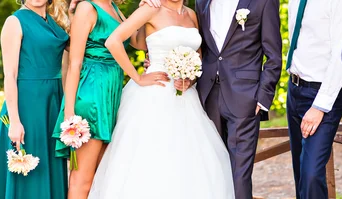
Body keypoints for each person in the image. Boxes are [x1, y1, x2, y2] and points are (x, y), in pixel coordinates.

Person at [87, 0, 235, 198]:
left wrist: (190, 79)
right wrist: (137, 76)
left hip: (186, 98)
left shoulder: (191, 14)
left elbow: (198, 53)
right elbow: (113, 41)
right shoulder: (151, 8)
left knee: (188, 160)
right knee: (153, 156)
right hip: (154, 94)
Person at [141, 0, 282, 198]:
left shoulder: (263, 2)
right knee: (211, 169)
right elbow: (200, 47)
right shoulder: (202, 3)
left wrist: (263, 96)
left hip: (245, 97)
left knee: (240, 171)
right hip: (205, 95)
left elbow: (274, 55)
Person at [53, 0, 148, 198]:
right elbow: (75, 63)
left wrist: (146, 11)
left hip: (112, 94)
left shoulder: (113, 8)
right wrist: (69, 112)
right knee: (83, 179)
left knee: (101, 176)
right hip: (91, 93)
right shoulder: (87, 8)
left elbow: (139, 43)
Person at [0, 0, 70, 198]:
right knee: (30, 173)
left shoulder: (54, 21)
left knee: (49, 166)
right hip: (26, 106)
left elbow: (83, 48)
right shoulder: (14, 21)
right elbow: (10, 75)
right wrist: (15, 122)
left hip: (52, 104)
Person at [284, 0, 342, 198]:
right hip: (294, 89)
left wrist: (322, 103)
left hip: (321, 96)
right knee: (300, 174)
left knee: (311, 175)